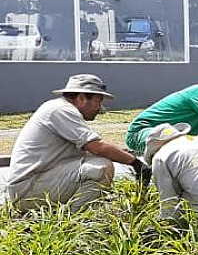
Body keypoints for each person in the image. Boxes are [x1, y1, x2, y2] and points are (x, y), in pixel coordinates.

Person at [6, 74, 150, 211]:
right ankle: (76, 221)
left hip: (32, 184)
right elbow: (97, 147)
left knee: (95, 162)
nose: (100, 108)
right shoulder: (62, 110)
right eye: (98, 101)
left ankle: (71, 212)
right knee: (101, 168)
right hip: (27, 190)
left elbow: (93, 149)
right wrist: (136, 163)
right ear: (81, 98)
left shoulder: (59, 108)